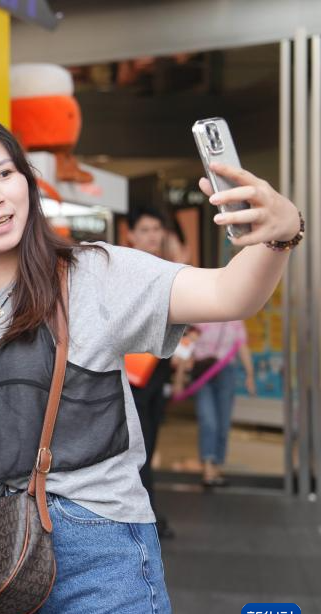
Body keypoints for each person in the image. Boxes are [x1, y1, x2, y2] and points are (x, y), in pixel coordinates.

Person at [0, 111, 302, 614]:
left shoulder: (95, 274)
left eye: (5, 174)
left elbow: (229, 293)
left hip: (100, 553)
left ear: (26, 181)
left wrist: (281, 232)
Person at [126, 206, 179, 538]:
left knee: (150, 444)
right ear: (131, 234)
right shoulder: (124, 269)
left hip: (157, 373)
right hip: (132, 377)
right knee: (139, 448)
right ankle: (146, 518)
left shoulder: (168, 269)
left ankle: (147, 515)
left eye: (156, 229)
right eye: (144, 230)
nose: (152, 236)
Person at [187, 320, 256, 487]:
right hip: (202, 371)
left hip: (226, 372)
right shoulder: (201, 317)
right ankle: (208, 468)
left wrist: (250, 374)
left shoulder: (236, 320)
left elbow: (242, 346)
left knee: (223, 422)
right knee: (208, 421)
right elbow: (187, 346)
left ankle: (217, 466)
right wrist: (180, 376)